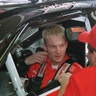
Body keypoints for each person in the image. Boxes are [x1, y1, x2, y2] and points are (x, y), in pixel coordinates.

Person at [24, 24, 83, 94]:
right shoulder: (36, 64)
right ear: (45, 47)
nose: (58, 51)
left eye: (61, 45)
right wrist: (25, 63)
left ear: (66, 44)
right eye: (53, 47)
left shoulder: (76, 70)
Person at [61, 25, 96, 96]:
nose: (87, 56)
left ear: (95, 55)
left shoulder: (80, 80)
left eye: (88, 51)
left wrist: (64, 85)